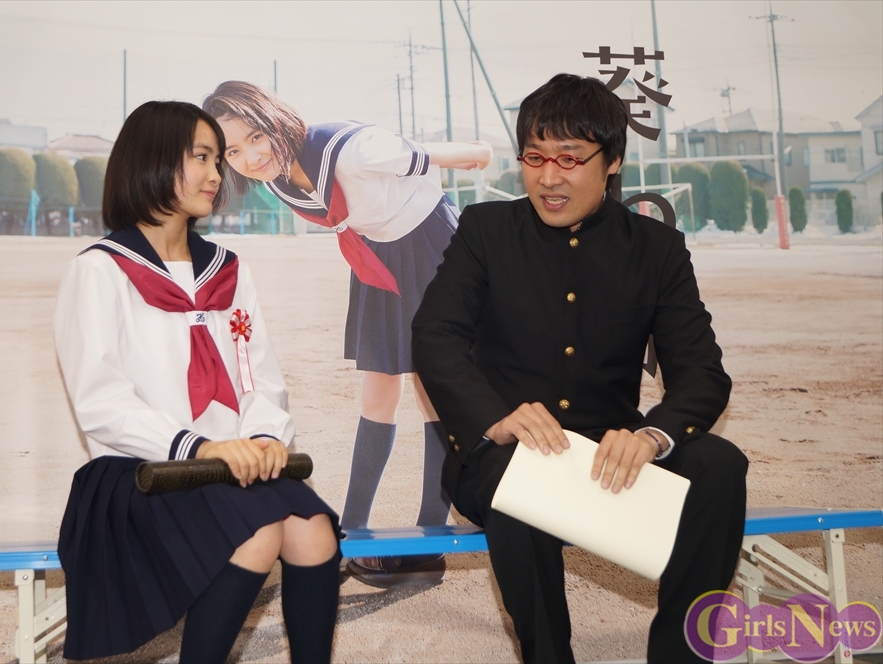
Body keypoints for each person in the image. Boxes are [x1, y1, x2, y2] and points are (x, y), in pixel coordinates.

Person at [411, 74, 749, 662]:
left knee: (719, 464)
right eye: (535, 157)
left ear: (611, 161)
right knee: (521, 482)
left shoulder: (656, 249)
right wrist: (496, 418)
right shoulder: (486, 231)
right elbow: (435, 335)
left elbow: (703, 374)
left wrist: (651, 436)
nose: (548, 177)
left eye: (569, 158)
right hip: (504, 455)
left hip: (605, 455)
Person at [54, 100, 340, 663]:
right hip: (139, 472)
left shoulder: (228, 269)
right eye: (201, 158)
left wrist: (264, 437)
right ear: (153, 161)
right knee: (257, 530)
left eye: (217, 161)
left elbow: (259, 376)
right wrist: (201, 447)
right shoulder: (99, 270)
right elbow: (100, 401)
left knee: (313, 529)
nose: (216, 174)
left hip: (229, 467)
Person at [203, 81, 493, 587]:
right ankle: (350, 534)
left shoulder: (354, 149)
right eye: (233, 151)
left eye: (255, 136)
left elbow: (433, 156)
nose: (250, 157)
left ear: (275, 119)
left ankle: (429, 539)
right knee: (378, 388)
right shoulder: (276, 175)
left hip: (432, 245)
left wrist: (480, 152)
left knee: (432, 389)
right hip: (377, 254)